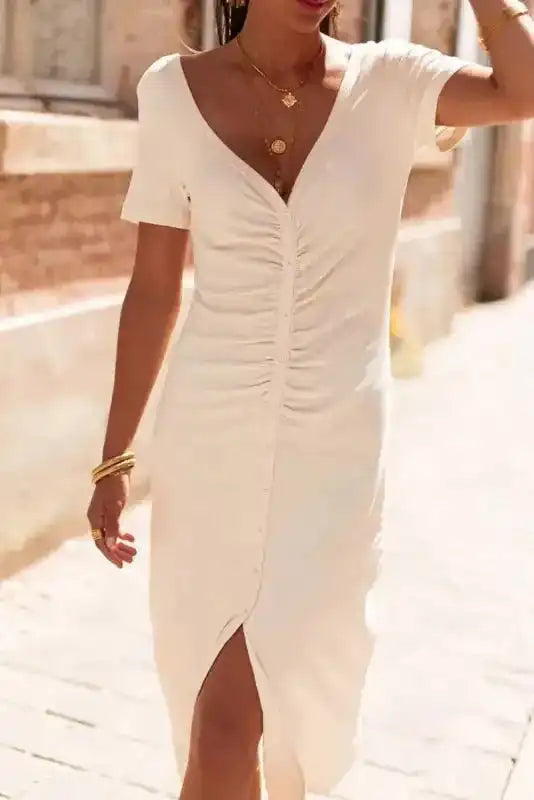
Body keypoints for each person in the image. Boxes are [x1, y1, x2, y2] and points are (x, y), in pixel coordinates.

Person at [87, 1, 534, 797]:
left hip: (337, 458)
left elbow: (522, 89)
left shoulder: (394, 83)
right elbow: (154, 287)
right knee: (219, 729)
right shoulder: (172, 91)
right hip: (210, 445)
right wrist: (115, 457)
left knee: (285, 720)